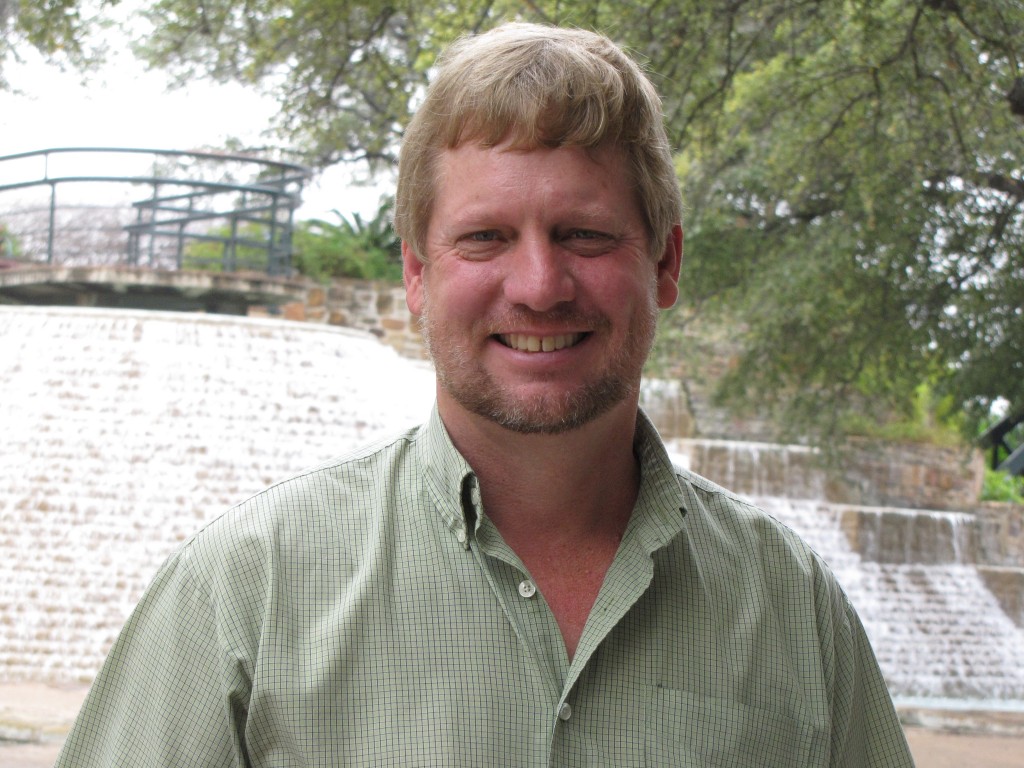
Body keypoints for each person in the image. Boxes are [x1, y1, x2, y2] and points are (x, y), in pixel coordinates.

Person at [56, 23, 914, 767]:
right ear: (416, 273)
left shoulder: (794, 606)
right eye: (485, 238)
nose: (539, 286)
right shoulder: (247, 588)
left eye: (584, 234)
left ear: (666, 262)